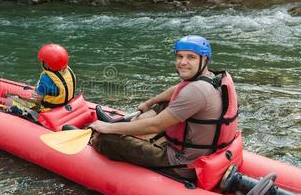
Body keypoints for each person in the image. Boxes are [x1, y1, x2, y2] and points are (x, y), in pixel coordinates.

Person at [90, 35, 240, 186]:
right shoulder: (213, 78)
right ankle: (127, 125)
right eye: (180, 56)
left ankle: (107, 132)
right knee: (168, 102)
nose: (183, 62)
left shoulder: (196, 92)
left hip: (183, 163)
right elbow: (177, 89)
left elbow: (155, 126)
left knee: (106, 140)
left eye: (191, 57)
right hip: (205, 151)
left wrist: (107, 128)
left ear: (205, 59)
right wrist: (151, 102)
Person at [30, 44, 76, 111]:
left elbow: (37, 99)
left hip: (51, 112)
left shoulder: (46, 78)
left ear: (46, 65)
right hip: (67, 107)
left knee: (10, 102)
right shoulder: (69, 72)